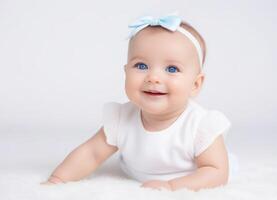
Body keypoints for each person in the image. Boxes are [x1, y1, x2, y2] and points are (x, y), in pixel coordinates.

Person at [41, 13, 239, 191]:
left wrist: (172, 186)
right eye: (141, 65)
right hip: (136, 176)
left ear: (195, 84)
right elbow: (91, 153)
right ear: (126, 72)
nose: (153, 77)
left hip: (189, 179)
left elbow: (216, 171)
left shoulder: (200, 125)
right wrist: (59, 179)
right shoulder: (121, 118)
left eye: (171, 69)